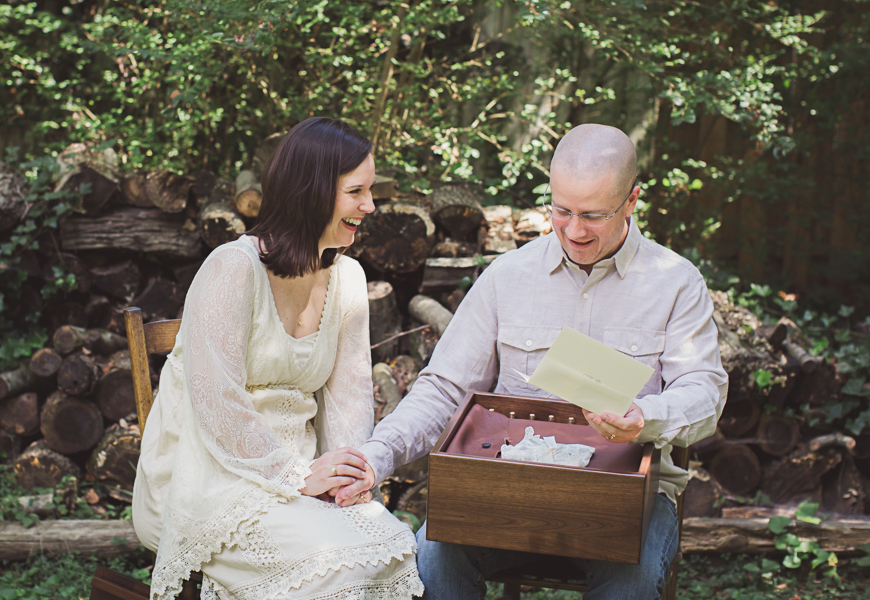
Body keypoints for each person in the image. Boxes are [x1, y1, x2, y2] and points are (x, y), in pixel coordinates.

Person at [336, 124, 728, 599]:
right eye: (561, 210)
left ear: (632, 201)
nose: (574, 230)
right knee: (435, 556)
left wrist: (647, 416)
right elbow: (444, 389)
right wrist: (378, 457)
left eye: (593, 215)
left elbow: (705, 392)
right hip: (509, 493)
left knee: (634, 580)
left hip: (623, 504)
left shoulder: (675, 283)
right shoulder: (507, 277)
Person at [132, 117, 424, 600]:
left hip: (302, 478)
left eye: (371, 192)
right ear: (312, 191)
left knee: (394, 548)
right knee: (334, 569)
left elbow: (349, 399)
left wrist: (345, 480)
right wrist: (294, 476)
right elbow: (217, 402)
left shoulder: (348, 279)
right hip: (209, 476)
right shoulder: (232, 267)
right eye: (357, 192)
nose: (370, 206)